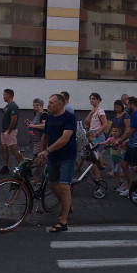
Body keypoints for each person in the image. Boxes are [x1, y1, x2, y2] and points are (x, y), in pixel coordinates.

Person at [37, 94, 77, 232]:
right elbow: (45, 136)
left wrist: (47, 151)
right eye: (48, 102)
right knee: (53, 185)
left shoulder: (69, 118)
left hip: (67, 156)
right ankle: (68, 204)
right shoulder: (49, 118)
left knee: (64, 186)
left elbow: (65, 138)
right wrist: (41, 153)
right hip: (53, 156)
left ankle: (63, 221)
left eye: (52, 103)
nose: (49, 105)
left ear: (60, 104)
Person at [117, 96, 137, 196]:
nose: (125, 106)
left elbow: (129, 132)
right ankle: (129, 187)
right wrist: (127, 141)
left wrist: (120, 141)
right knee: (124, 165)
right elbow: (130, 132)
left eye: (127, 104)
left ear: (133, 105)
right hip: (133, 144)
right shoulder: (133, 114)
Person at [0, 89, 22, 175]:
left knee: (13, 149)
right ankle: (5, 167)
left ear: (8, 95)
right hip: (4, 131)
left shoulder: (13, 106)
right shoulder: (7, 106)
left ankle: (24, 167)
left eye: (4, 95)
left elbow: (14, 119)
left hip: (10, 131)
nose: (3, 96)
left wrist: (9, 130)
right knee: (4, 148)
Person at [84, 92, 108, 169]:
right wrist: (91, 113)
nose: (91, 100)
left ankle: (99, 171)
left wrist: (97, 133)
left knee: (96, 154)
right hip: (91, 133)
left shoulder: (100, 110)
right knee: (92, 154)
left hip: (97, 134)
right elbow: (86, 122)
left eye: (94, 99)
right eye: (90, 99)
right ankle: (98, 170)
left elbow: (105, 124)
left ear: (98, 100)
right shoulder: (93, 110)